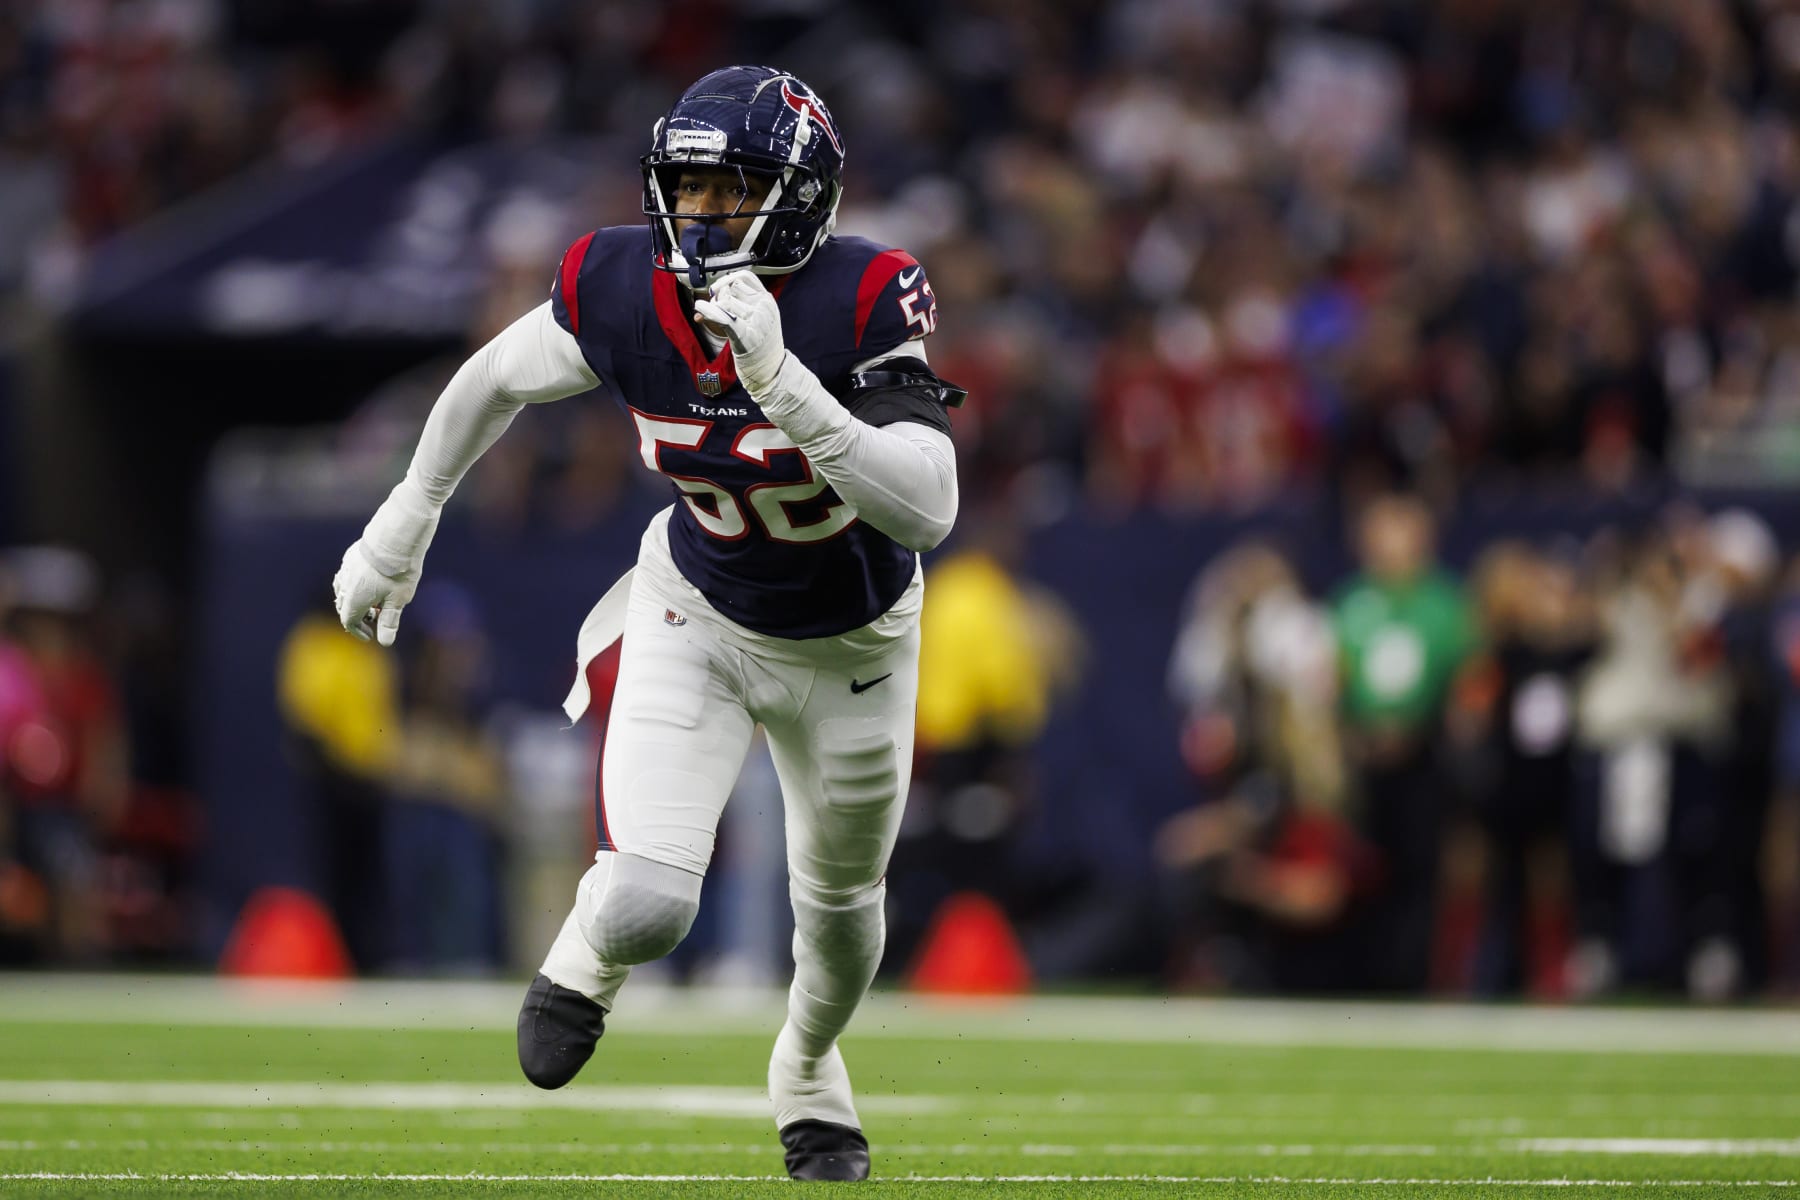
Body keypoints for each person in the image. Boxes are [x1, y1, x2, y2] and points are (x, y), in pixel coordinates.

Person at [331, 65, 961, 1182]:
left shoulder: (861, 294)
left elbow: (927, 503)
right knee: (650, 899)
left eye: (731, 191)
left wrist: (780, 375)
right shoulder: (624, 282)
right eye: (688, 186)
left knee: (844, 917)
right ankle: (585, 951)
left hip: (857, 646)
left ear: (803, 195)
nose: (700, 214)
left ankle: (808, 1069)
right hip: (700, 610)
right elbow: (494, 378)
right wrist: (404, 519)